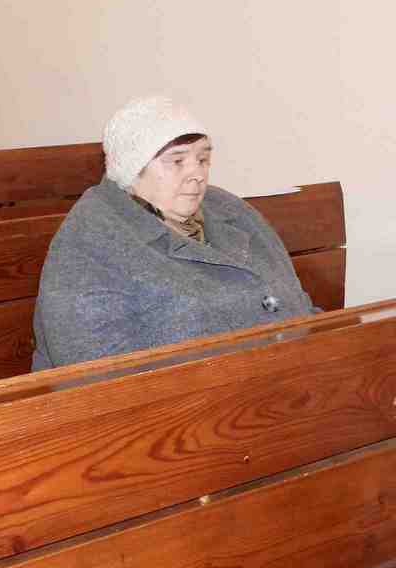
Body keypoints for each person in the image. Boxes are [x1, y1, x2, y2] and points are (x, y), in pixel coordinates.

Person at [32, 96, 317, 371]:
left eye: (203, 159)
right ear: (132, 169)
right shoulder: (89, 241)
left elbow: (300, 306)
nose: (198, 174)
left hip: (287, 383)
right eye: (177, 161)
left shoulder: (230, 210)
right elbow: (98, 376)